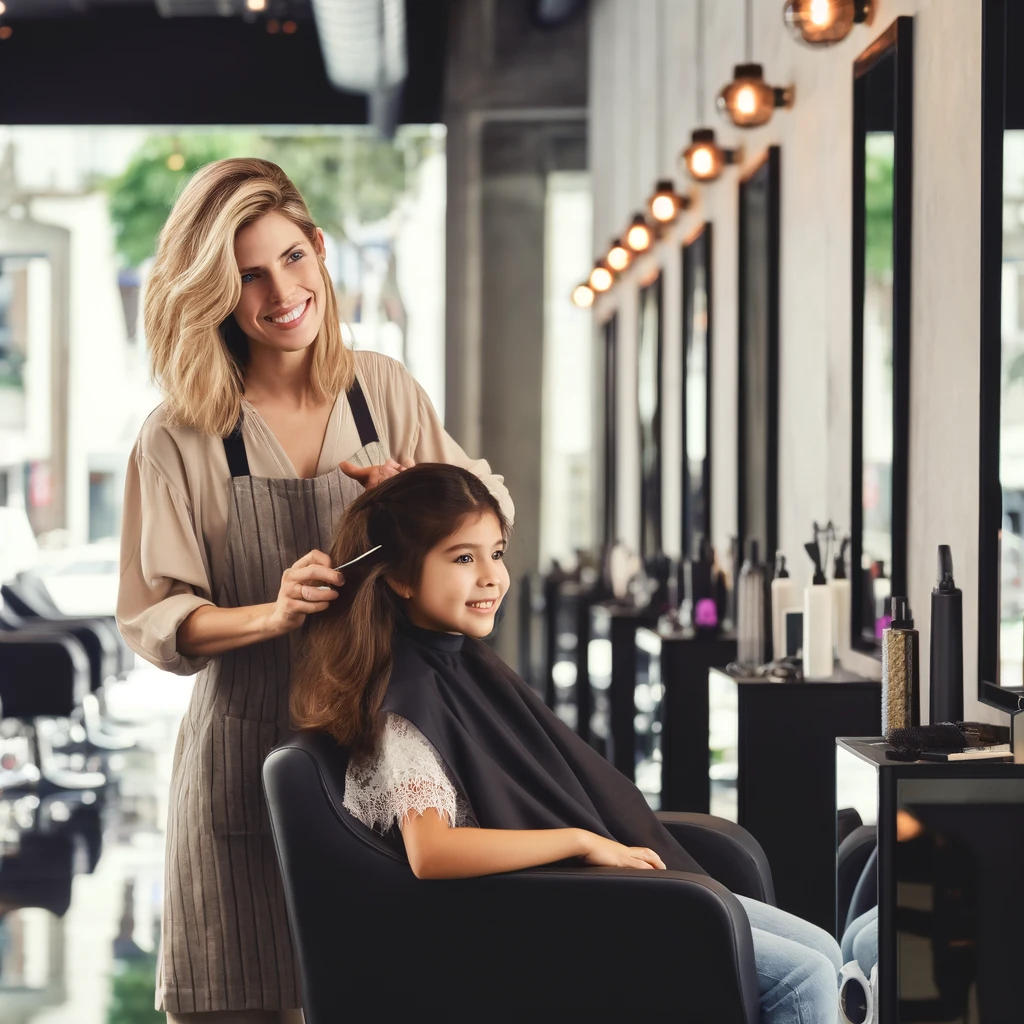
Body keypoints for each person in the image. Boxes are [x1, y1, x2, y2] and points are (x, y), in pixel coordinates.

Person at [115, 158, 513, 1023]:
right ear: (216, 290)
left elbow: (488, 517)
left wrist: (419, 496)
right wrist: (275, 609)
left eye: (293, 258)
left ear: (322, 250)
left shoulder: (384, 392)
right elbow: (155, 619)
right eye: (248, 275)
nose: (281, 291)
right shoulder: (180, 434)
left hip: (384, 755)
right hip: (242, 761)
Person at [290, 464, 843, 1024]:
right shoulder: (404, 700)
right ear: (402, 577)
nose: (491, 577)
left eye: (497, 553)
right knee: (808, 975)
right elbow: (432, 852)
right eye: (463, 558)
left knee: (824, 947)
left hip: (577, 891)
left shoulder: (458, 663)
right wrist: (579, 842)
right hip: (544, 915)